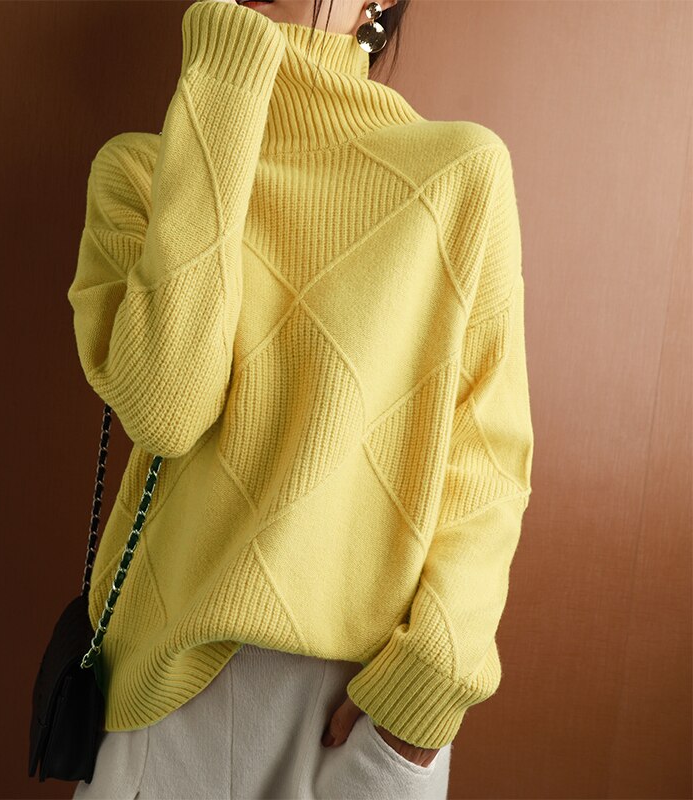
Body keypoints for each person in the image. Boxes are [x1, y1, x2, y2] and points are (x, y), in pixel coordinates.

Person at [67, 0, 534, 796]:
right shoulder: (140, 171)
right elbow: (166, 409)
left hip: (356, 706)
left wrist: (433, 680)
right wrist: (225, 71)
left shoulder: (459, 172)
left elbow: (487, 459)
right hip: (164, 692)